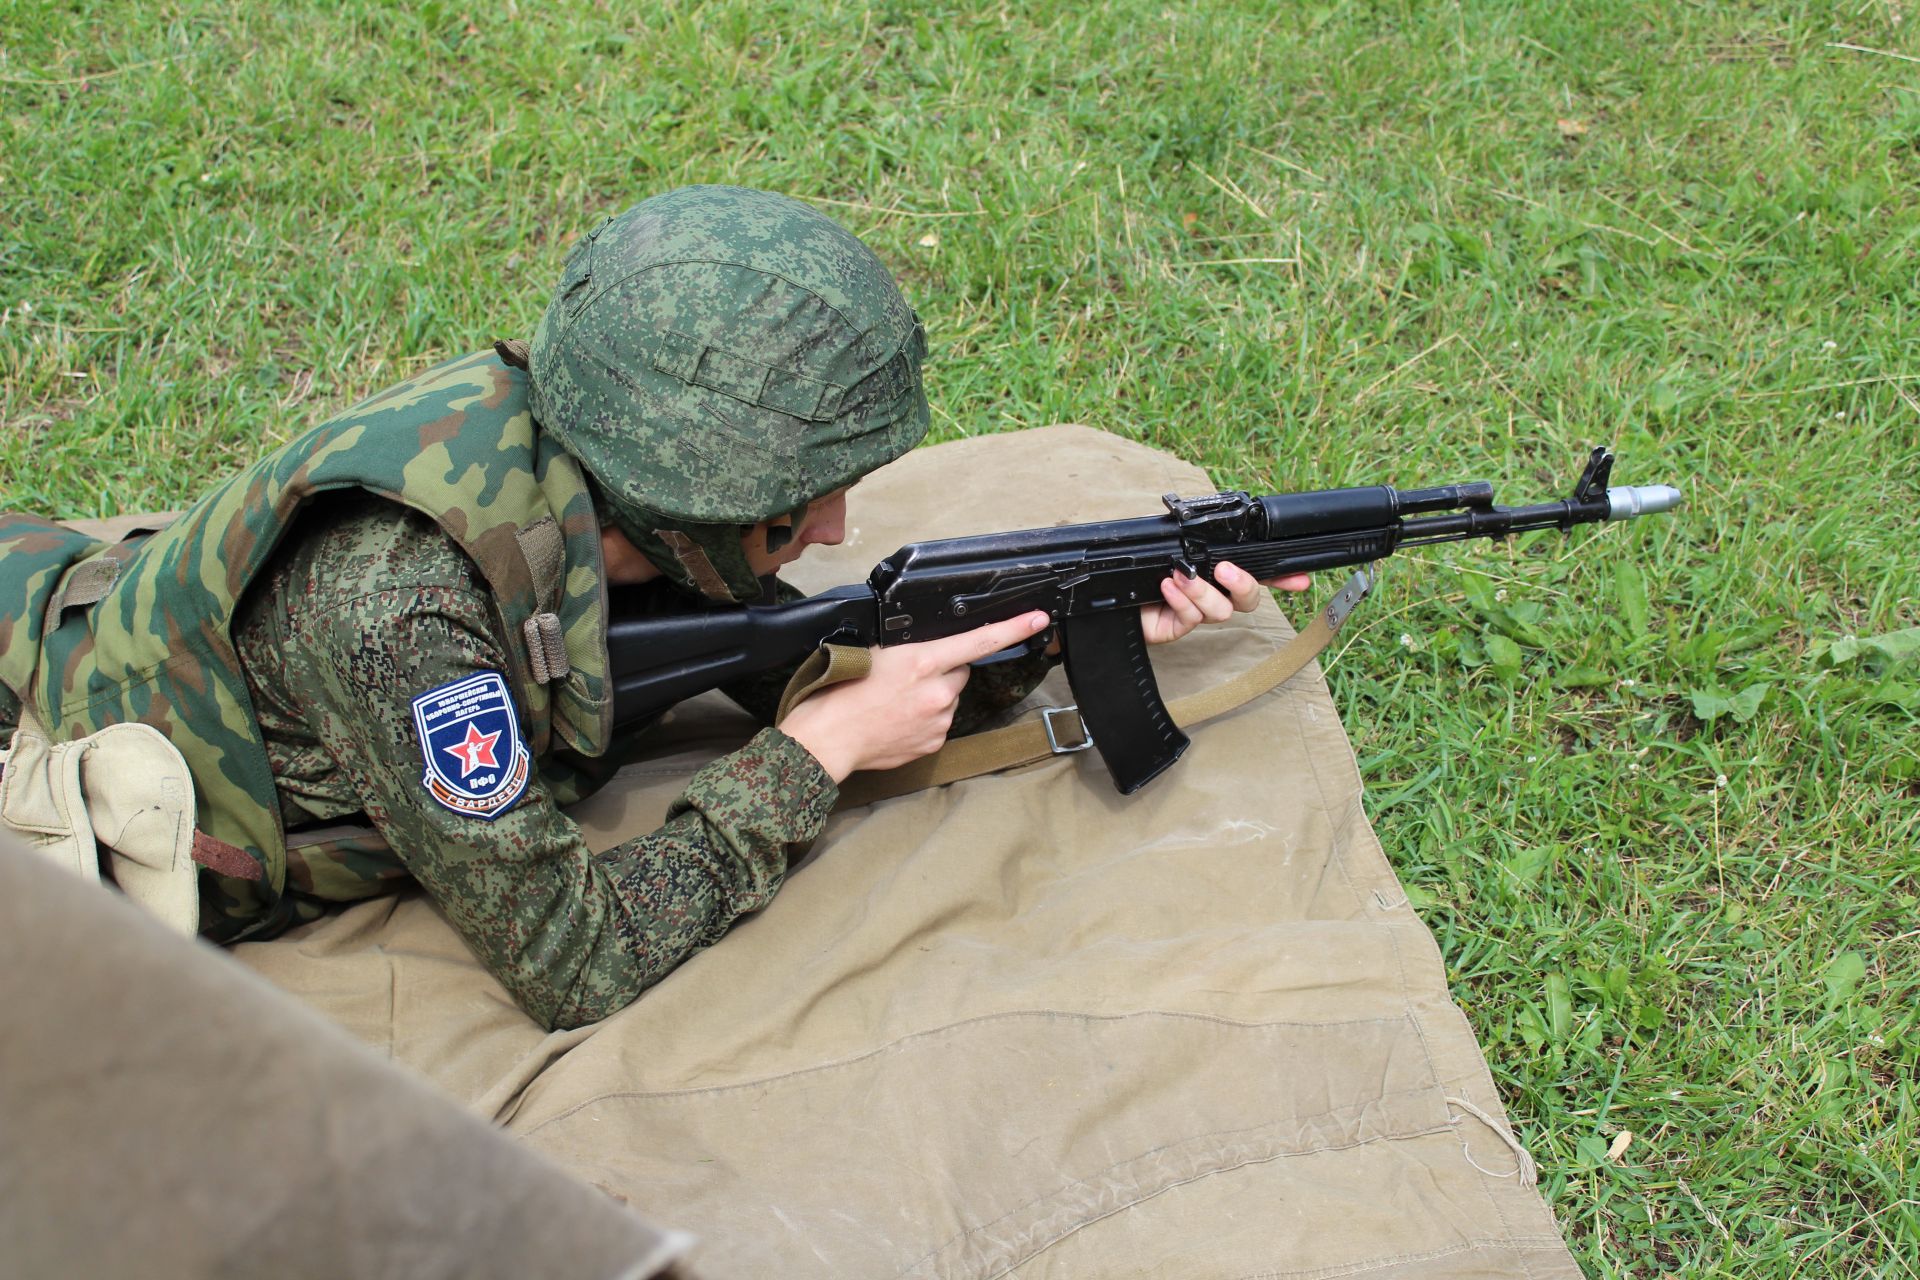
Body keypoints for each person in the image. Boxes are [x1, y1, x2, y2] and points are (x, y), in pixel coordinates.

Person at [0, 186, 1302, 1030]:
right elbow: (573, 962)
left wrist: (1081, 621)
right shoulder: (405, 630)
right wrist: (820, 756)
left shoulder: (605, 432)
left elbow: (806, 641)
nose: (836, 531)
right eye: (800, 508)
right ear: (681, 500)